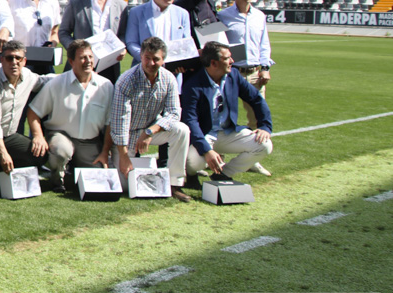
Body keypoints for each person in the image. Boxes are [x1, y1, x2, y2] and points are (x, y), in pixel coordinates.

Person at [108, 37, 192, 200]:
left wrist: (150, 132)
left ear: (163, 60)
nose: (151, 63)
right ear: (141, 56)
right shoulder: (126, 81)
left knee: (182, 130)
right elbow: (119, 122)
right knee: (125, 185)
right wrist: (124, 156)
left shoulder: (169, 79)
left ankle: (174, 184)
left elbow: (174, 113)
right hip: (127, 135)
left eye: (156, 59)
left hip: (150, 131)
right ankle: (113, 161)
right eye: (147, 58)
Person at [26, 40, 113, 193]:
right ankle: (57, 179)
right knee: (61, 151)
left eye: (90, 57)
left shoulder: (106, 85)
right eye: (82, 58)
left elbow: (109, 123)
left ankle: (71, 172)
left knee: (99, 176)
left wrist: (105, 151)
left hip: (89, 142)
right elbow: (34, 111)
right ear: (71, 61)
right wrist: (38, 136)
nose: (88, 61)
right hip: (60, 136)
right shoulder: (57, 83)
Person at [181, 42, 274, 184]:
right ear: (214, 63)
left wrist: (265, 126)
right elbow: (190, 120)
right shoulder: (193, 83)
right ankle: (190, 175)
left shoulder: (234, 75)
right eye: (227, 58)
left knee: (264, 145)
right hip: (204, 134)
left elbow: (256, 99)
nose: (232, 61)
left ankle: (223, 174)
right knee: (195, 163)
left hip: (227, 132)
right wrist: (207, 151)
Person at [218, 0, 274, 178]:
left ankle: (253, 160)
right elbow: (214, 42)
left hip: (254, 73)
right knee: (223, 117)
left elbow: (264, 44)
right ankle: (217, 159)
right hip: (231, 74)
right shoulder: (222, 16)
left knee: (257, 119)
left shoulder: (260, 16)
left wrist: (266, 67)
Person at [57, 0, 128, 82]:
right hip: (80, 66)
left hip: (109, 66)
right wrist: (76, 51)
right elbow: (63, 32)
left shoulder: (121, 6)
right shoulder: (76, 4)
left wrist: (121, 47)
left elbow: (123, 34)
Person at [0, 41, 50, 178]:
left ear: (24, 61)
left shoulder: (28, 76)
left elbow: (46, 81)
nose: (14, 62)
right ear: (2, 60)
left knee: (40, 154)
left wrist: (70, 76)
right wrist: (3, 152)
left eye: (18, 58)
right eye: (10, 58)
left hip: (10, 136)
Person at [125, 0, 192, 64]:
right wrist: (147, 60)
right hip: (143, 70)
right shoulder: (136, 12)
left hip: (173, 72)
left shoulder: (183, 14)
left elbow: (186, 44)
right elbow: (131, 42)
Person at [8, 0, 61, 73]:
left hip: (46, 61)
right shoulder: (12, 2)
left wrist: (53, 43)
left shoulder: (52, 2)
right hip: (22, 63)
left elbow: (54, 32)